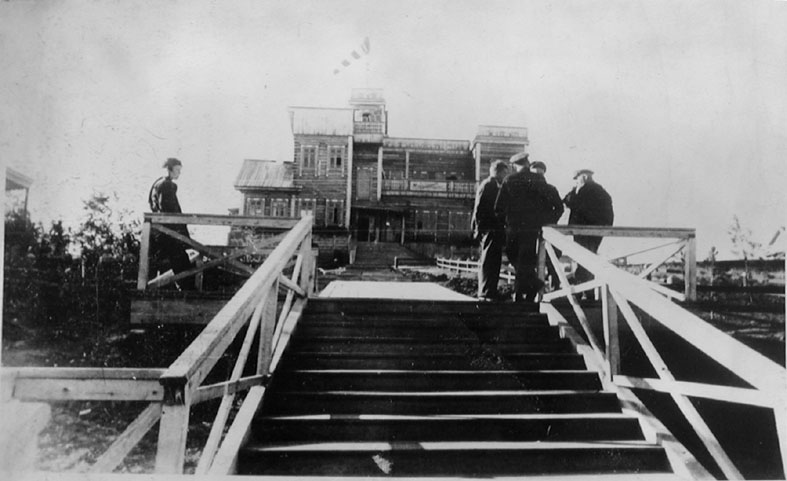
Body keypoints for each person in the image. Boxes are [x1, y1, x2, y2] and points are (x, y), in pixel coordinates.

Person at [495, 153, 563, 303]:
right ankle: (531, 288)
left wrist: (506, 222)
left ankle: (522, 292)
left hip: (513, 229)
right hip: (531, 229)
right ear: (527, 163)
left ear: (515, 166)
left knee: (516, 259)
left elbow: (498, 208)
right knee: (526, 260)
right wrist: (544, 221)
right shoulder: (539, 180)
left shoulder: (509, 180)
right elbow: (551, 205)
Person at [562, 169, 614, 285]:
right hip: (597, 231)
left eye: (577, 179)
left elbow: (568, 201)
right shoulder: (601, 191)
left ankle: (583, 286)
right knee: (589, 256)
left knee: (583, 257)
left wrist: (575, 191)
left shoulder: (583, 191)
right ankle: (586, 286)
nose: (576, 182)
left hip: (582, 231)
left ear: (584, 177)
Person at [148, 158, 193, 283]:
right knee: (183, 265)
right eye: (177, 170)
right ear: (170, 169)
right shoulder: (167, 185)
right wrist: (181, 232)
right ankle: (188, 289)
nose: (179, 173)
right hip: (169, 232)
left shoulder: (157, 184)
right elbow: (169, 209)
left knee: (174, 264)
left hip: (159, 231)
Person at [471, 160, 509, 301]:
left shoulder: (493, 185)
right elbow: (479, 209)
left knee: (493, 260)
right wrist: (479, 229)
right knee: (489, 261)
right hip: (489, 229)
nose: (505, 176)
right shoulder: (489, 185)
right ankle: (486, 291)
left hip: (493, 229)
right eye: (504, 172)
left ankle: (490, 291)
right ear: (497, 172)